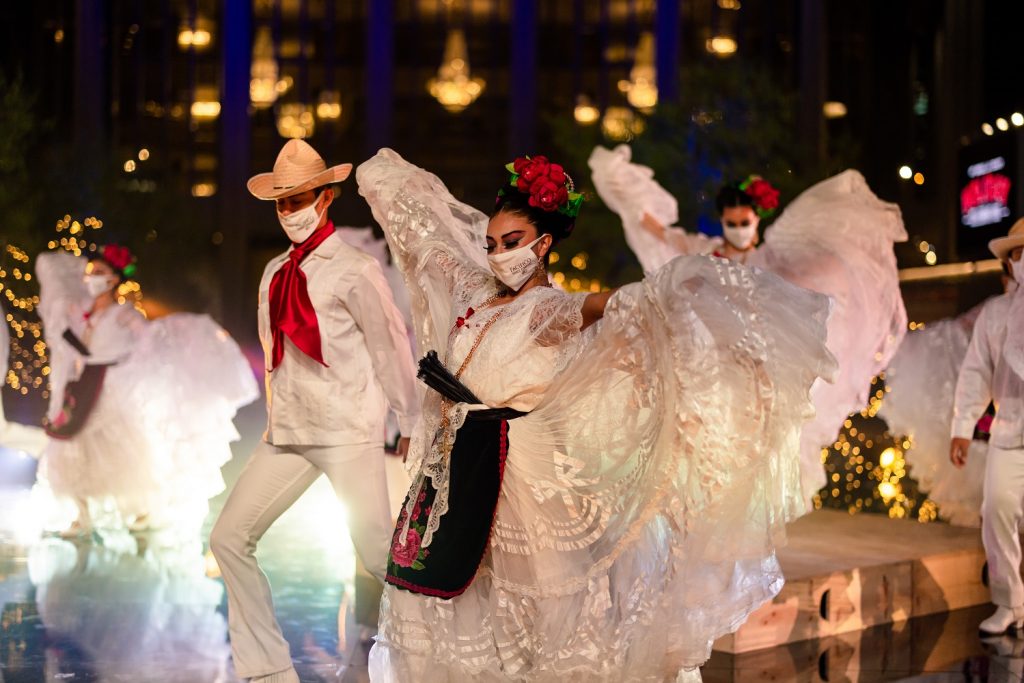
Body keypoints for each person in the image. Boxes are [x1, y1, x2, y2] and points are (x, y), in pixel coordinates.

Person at [356, 148, 836, 682]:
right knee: (445, 595)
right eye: (491, 244)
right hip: (456, 460)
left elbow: (612, 304)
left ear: (543, 244)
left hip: (518, 471)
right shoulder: (476, 290)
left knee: (545, 609)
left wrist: (671, 290)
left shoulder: (551, 310)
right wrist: (378, 177)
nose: (498, 255)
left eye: (512, 243)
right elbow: (427, 239)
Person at [209, 139, 421, 683]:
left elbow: (390, 345)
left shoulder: (355, 269)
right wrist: (275, 422)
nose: (289, 211)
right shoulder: (275, 271)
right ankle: (267, 670)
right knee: (228, 539)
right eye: (282, 202)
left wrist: (411, 421)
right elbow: (276, 357)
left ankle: (444, 656)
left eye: (299, 199)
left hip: (348, 430)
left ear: (325, 197)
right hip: (289, 434)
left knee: (380, 557)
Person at [590, 144, 908, 505]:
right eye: (731, 223)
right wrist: (622, 187)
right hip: (713, 365)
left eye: (745, 222)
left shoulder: (772, 256)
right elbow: (657, 230)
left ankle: (755, 510)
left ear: (757, 219)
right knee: (707, 439)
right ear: (722, 220)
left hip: (763, 366)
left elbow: (811, 277)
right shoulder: (704, 250)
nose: (738, 230)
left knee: (763, 447)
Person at [36, 244, 257, 538]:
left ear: (114, 279)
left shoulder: (123, 313)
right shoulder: (85, 313)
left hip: (113, 383)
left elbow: (147, 341)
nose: (92, 278)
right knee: (72, 444)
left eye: (99, 273)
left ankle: (138, 512)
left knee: (122, 447)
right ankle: (83, 514)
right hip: (84, 383)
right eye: (91, 273)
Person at [950, 217, 1024, 636]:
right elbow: (976, 371)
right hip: (1009, 432)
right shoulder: (996, 315)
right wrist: (962, 425)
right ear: (1009, 263)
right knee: (996, 509)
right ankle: (1009, 601)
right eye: (1018, 252)